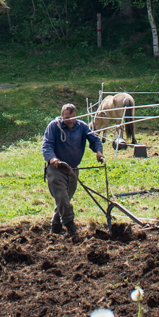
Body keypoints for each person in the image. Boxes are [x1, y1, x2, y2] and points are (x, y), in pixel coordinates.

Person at [41, 102, 103, 239]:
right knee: (62, 198)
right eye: (67, 118)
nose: (71, 121)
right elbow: (47, 145)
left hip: (73, 170)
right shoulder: (54, 127)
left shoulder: (82, 127)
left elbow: (94, 139)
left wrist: (99, 152)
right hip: (57, 169)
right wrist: (52, 159)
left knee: (65, 199)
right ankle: (71, 227)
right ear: (62, 116)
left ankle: (55, 227)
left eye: (73, 117)